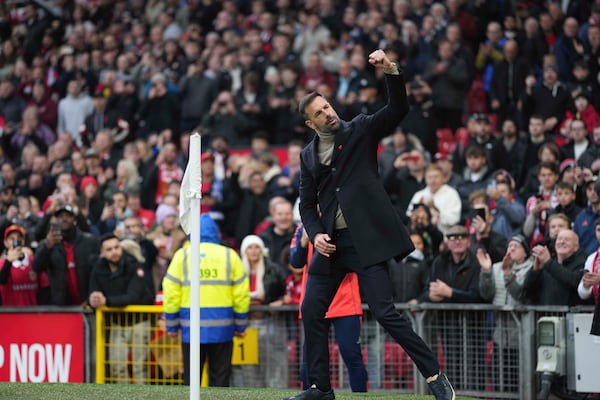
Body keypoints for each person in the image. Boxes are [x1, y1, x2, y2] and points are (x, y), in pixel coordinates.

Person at [289, 49, 454, 400]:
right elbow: (306, 204)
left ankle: (435, 375)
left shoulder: (361, 129)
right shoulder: (307, 156)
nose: (327, 113)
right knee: (310, 310)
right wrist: (316, 233)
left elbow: (397, 110)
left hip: (364, 244)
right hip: (331, 245)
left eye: (327, 106)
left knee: (385, 312)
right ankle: (320, 387)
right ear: (310, 124)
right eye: (319, 113)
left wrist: (391, 71)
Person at [163, 214, 250, 386]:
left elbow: (171, 292)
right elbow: (241, 294)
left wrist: (172, 325)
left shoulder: (182, 255)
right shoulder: (229, 255)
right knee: (220, 380)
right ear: (216, 233)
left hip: (191, 329)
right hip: (223, 329)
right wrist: (240, 325)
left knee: (191, 382)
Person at [289, 224, 367, 392]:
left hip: (345, 302)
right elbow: (295, 262)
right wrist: (304, 241)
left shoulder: (347, 222)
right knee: (308, 361)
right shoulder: (303, 227)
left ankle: (361, 396)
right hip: (314, 302)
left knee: (351, 356)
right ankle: (309, 394)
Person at [88, 233, 154, 384]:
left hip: (139, 322)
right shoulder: (98, 269)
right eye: (109, 249)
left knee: (140, 367)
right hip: (117, 322)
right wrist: (93, 299)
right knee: (117, 367)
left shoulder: (134, 264)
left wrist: (106, 301)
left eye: (117, 247)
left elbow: (133, 297)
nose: (114, 252)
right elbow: (93, 292)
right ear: (102, 253)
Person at [33, 204, 100, 305]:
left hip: (87, 303)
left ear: (74, 218)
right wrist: (47, 247)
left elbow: (97, 271)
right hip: (61, 306)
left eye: (67, 215)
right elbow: (37, 268)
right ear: (55, 220)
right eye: (60, 216)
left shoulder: (89, 241)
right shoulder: (47, 244)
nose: (64, 219)